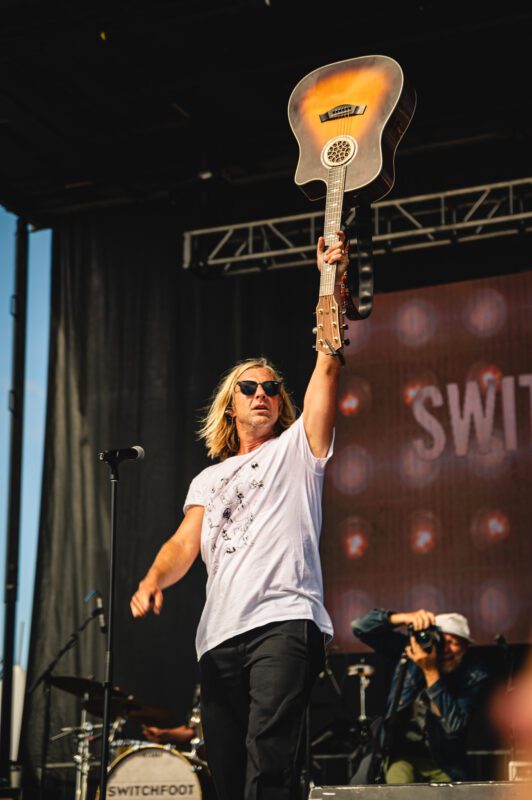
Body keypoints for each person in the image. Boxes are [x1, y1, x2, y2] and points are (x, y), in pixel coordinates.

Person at [130, 233, 349, 800]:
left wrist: (329, 282)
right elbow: (184, 543)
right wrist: (154, 578)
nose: (261, 394)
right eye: (249, 387)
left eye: (271, 388)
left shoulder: (298, 449)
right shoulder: (209, 478)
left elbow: (328, 366)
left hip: (284, 621)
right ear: (231, 404)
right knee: (227, 775)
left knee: (269, 767)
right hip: (219, 637)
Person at [351, 608, 488, 784]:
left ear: (466, 647)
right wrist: (405, 617)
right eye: (441, 641)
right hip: (402, 752)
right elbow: (359, 627)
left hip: (445, 760)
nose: (446, 649)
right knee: (398, 789)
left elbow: (454, 726)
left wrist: (430, 671)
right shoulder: (410, 651)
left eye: (454, 643)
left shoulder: (473, 674)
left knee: (455, 792)